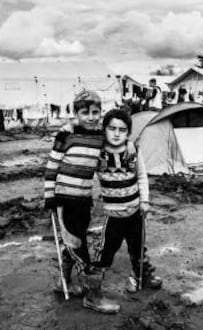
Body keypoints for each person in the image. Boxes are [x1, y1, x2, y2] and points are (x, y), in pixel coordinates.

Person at [44, 89, 120, 314]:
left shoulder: (99, 137)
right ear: (76, 113)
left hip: (84, 201)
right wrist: (49, 196)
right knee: (79, 247)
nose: (91, 117)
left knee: (74, 241)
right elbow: (51, 168)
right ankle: (92, 296)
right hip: (64, 200)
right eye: (85, 112)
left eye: (96, 112)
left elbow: (104, 162)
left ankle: (63, 283)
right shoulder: (65, 135)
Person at [93, 109, 162, 293]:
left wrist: (145, 201)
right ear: (104, 130)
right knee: (106, 250)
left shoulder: (133, 151)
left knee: (138, 248)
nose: (116, 134)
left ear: (128, 133)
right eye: (112, 128)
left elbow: (142, 176)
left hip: (135, 212)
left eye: (122, 130)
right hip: (113, 216)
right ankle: (94, 283)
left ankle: (142, 276)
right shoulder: (98, 154)